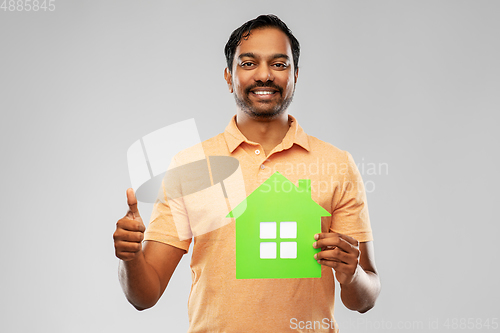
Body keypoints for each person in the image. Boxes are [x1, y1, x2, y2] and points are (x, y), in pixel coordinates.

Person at [113, 14, 381, 332]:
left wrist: (352, 275)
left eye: (279, 64)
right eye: (249, 63)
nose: (264, 75)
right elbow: (145, 295)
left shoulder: (337, 165)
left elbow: (364, 298)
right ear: (229, 77)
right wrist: (129, 259)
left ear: (296, 75)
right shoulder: (192, 167)